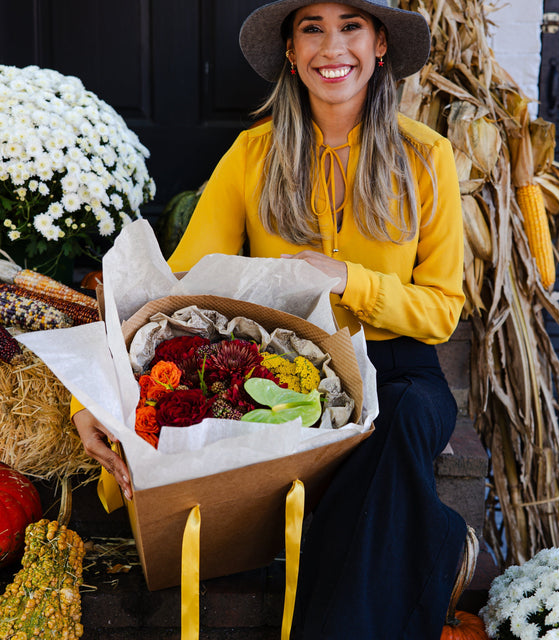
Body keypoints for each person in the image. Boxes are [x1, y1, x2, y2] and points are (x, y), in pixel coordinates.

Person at [72, 0, 468, 637]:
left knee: (399, 422)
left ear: (381, 46)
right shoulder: (253, 155)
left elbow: (443, 311)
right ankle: (439, 541)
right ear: (290, 51)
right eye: (312, 29)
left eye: (351, 28)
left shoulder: (427, 157)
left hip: (396, 367)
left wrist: (350, 280)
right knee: (335, 446)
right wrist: (91, 393)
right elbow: (175, 287)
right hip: (288, 369)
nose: (331, 48)